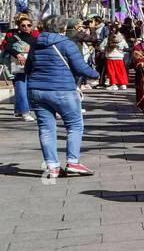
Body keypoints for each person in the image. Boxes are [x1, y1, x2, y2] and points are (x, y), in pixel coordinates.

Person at [25, 15, 100, 178]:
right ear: (63, 28)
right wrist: (96, 74)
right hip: (62, 90)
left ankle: (52, 166)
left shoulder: (35, 43)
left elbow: (28, 68)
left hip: (37, 90)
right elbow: (80, 67)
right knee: (74, 125)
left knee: (46, 128)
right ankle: (73, 162)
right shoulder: (66, 43)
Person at [3, 14, 37, 120]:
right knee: (21, 88)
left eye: (29, 25)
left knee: (28, 88)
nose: (26, 27)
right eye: (23, 25)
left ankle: (20, 110)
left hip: (31, 66)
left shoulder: (35, 38)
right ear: (19, 26)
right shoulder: (14, 37)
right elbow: (7, 46)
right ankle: (25, 112)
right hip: (18, 66)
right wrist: (17, 54)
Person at [103, 22, 129, 90]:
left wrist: (104, 50)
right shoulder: (122, 38)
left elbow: (101, 47)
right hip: (120, 57)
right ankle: (123, 84)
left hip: (111, 56)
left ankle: (113, 84)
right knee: (121, 71)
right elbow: (126, 47)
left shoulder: (108, 38)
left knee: (111, 71)